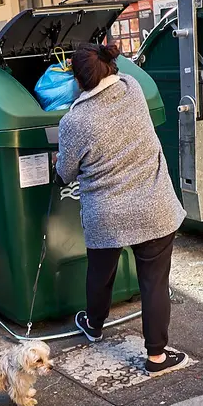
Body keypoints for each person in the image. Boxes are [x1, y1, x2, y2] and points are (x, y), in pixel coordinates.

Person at [54, 43, 189, 376]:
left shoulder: (74, 121)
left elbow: (65, 174)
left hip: (107, 216)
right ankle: (156, 357)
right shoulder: (133, 89)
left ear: (77, 80)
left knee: (100, 274)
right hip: (153, 206)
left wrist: (60, 163)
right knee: (154, 283)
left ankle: (94, 324)